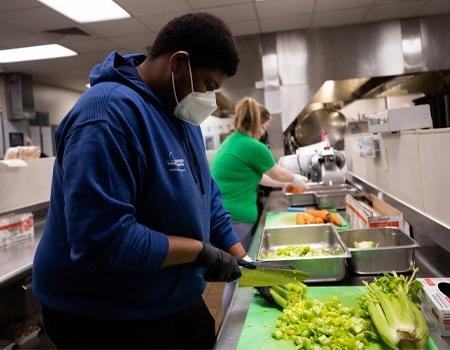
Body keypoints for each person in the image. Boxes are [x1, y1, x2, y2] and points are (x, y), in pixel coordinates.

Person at [32, 13, 246, 349]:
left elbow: (207, 193)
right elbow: (104, 241)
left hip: (170, 300)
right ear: (178, 63)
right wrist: (200, 252)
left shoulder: (181, 114)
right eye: (207, 85)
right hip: (107, 317)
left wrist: (238, 254)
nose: (208, 98)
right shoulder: (105, 115)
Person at [211, 97, 308, 250]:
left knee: (230, 265)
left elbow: (260, 177)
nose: (263, 132)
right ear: (258, 124)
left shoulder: (233, 141)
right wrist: (296, 179)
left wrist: (286, 183)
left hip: (223, 215)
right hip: (236, 218)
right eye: (265, 127)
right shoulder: (252, 146)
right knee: (238, 267)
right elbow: (277, 173)